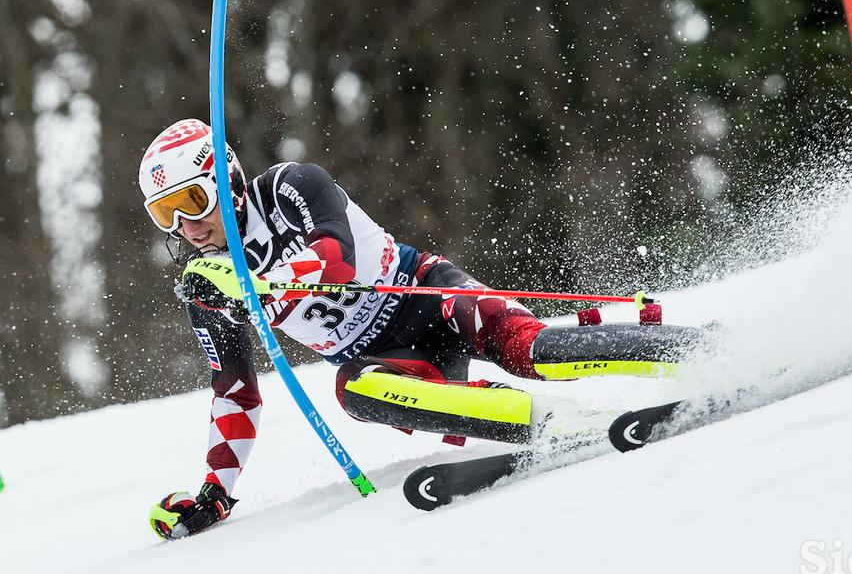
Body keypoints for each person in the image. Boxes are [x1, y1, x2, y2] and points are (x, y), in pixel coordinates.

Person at [140, 119, 701, 539]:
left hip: (427, 294)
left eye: (193, 200)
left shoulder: (290, 187)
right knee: (354, 391)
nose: (185, 226)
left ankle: (691, 349)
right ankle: (550, 424)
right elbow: (235, 393)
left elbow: (333, 254)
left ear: (228, 180)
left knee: (532, 348)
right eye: (165, 214)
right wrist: (215, 495)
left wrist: (257, 285)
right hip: (390, 356)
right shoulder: (208, 286)